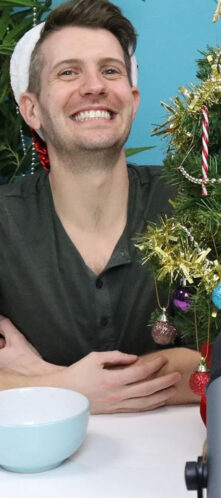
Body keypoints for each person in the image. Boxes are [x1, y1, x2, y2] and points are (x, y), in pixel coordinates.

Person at [0, 0, 201, 413]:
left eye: (110, 70)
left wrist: (45, 383)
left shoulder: (193, 205)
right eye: (68, 72)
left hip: (171, 467)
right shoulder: (5, 221)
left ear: (132, 98)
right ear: (31, 109)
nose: (94, 86)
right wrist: (70, 387)